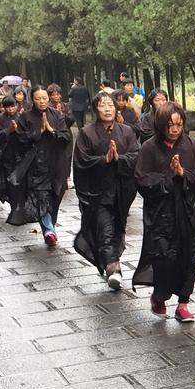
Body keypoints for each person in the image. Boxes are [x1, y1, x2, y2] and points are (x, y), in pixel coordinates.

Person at [133, 103, 195, 322]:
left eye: (178, 124)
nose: (174, 129)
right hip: (161, 214)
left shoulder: (192, 145)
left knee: (190, 257)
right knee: (164, 257)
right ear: (161, 125)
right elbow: (141, 179)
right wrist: (168, 177)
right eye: (169, 125)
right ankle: (159, 296)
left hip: (188, 212)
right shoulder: (149, 147)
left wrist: (183, 174)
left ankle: (183, 303)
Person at [73, 92, 140, 290]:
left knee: (118, 229)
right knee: (105, 229)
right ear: (96, 109)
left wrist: (119, 158)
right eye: (102, 105)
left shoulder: (127, 131)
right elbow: (81, 161)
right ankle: (113, 269)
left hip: (122, 191)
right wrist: (104, 160)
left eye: (110, 105)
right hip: (98, 192)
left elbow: (135, 156)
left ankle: (111, 262)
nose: (107, 109)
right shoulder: (87, 133)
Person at [3, 86, 72, 246]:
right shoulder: (25, 116)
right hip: (35, 165)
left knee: (54, 197)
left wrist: (51, 130)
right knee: (41, 196)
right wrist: (38, 132)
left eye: (44, 98)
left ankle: (50, 227)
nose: (42, 101)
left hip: (55, 163)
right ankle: (48, 230)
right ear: (32, 100)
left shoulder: (56, 115)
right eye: (38, 99)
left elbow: (66, 137)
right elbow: (20, 139)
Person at [0, 97, 23, 205]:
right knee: (8, 180)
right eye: (8, 107)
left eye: (13, 106)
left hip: (20, 153)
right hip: (5, 154)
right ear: (3, 108)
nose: (11, 109)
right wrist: (8, 130)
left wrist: (17, 130)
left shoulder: (21, 117)